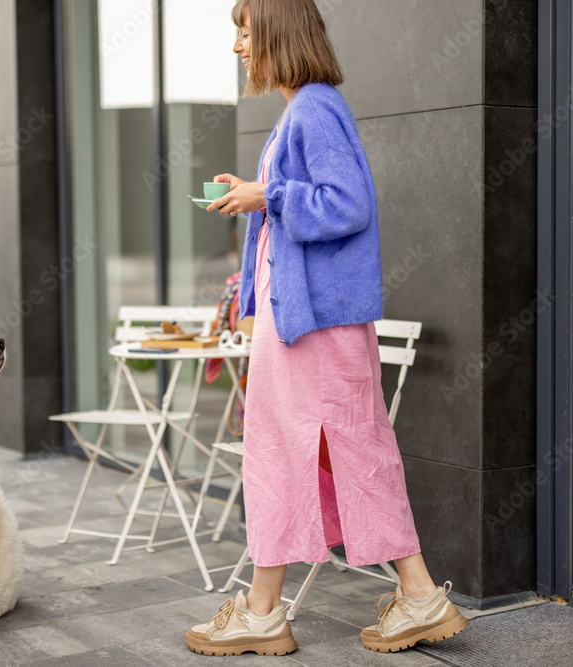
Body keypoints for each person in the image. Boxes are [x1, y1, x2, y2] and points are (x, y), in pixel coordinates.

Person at [185, 0, 469, 657]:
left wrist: (269, 195)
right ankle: (411, 595)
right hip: (308, 324)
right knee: (336, 450)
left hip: (311, 329)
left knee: (301, 450)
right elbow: (307, 202)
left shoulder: (313, 108)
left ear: (277, 35)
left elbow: (349, 204)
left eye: (246, 34)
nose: (238, 49)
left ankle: (269, 611)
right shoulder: (305, 109)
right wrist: (256, 189)